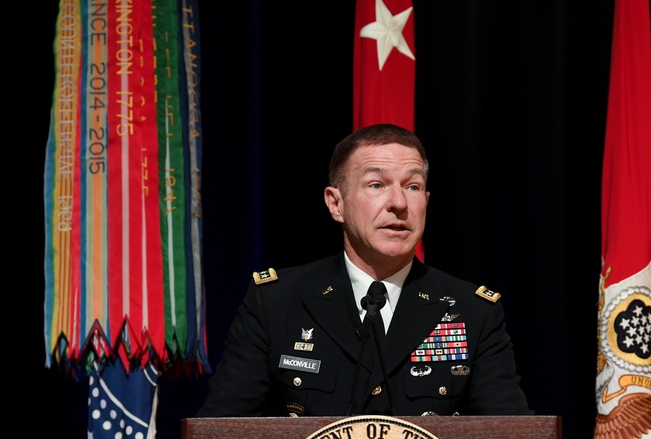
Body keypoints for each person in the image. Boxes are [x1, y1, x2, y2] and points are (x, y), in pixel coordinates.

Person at [198, 123, 531, 419]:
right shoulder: (277, 303)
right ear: (336, 203)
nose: (399, 202)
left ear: (426, 201)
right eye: (377, 184)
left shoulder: (471, 312)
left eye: (412, 186)